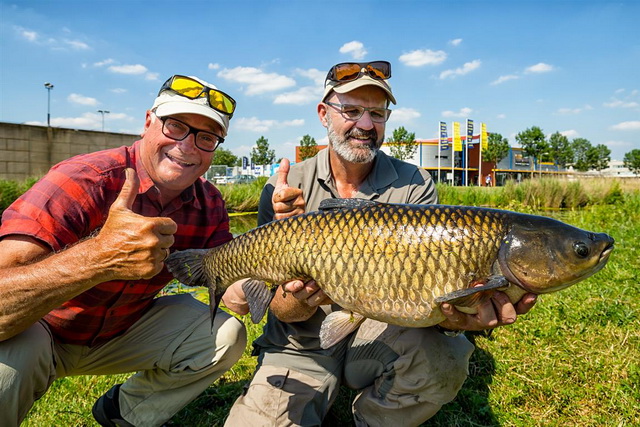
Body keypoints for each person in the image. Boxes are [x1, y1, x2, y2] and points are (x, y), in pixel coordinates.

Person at [222, 61, 538, 426]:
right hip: (300, 346)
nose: (366, 125)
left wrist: (459, 317)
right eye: (352, 111)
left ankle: (372, 416)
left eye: (377, 113)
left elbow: (431, 293)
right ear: (324, 114)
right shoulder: (285, 187)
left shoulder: (414, 184)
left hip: (378, 334)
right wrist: (294, 290)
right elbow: (280, 309)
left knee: (444, 359)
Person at [0, 75, 248, 426]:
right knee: (7, 359)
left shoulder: (209, 201)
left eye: (206, 137)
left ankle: (125, 413)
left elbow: (232, 283)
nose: (188, 146)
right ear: (149, 121)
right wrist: (100, 256)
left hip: (124, 330)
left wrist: (275, 271)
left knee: (226, 335)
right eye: (176, 126)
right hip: (42, 333)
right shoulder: (83, 180)